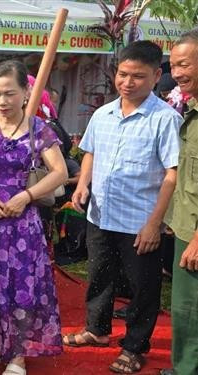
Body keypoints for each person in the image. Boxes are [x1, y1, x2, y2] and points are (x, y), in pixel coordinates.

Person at [62, 41, 182, 374]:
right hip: (101, 215)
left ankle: (135, 346)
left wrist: (154, 224)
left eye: (138, 76)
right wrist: (83, 183)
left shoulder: (165, 120)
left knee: (143, 287)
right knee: (99, 276)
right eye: (123, 74)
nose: (127, 83)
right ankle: (97, 330)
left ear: (157, 76)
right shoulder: (103, 114)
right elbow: (90, 153)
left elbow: (172, 175)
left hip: (139, 220)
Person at [0, 60, 67, 375]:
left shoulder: (39, 129)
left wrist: (27, 196)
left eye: (10, 94)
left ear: (26, 93)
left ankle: (18, 353)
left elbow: (60, 172)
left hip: (23, 225)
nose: (3, 101)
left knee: (23, 287)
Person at [161, 29, 198, 375]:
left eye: (184, 64)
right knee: (185, 308)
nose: (177, 73)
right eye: (173, 66)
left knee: (190, 309)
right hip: (187, 224)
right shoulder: (191, 108)